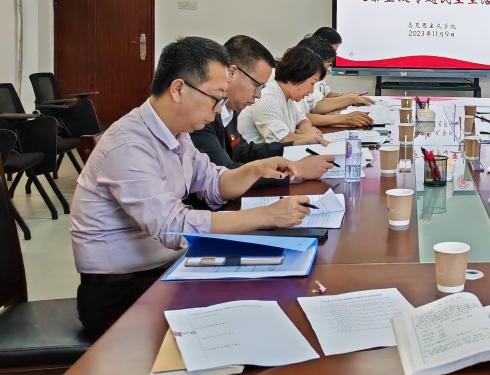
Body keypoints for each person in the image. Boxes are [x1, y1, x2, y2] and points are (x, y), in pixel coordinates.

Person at [70, 37, 313, 339]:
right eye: (215, 99)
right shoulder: (129, 145)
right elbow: (173, 227)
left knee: (269, 293)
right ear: (178, 89)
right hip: (120, 291)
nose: (218, 110)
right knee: (242, 320)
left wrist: (256, 169)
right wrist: (266, 215)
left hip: (163, 270)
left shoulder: (177, 133)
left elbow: (212, 182)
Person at [190, 35, 334, 181]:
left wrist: (295, 143)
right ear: (232, 73)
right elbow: (225, 176)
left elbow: (243, 152)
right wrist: (297, 169)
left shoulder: (229, 112)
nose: (258, 94)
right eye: (256, 85)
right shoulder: (203, 118)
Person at [236, 46, 330, 145]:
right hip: (252, 154)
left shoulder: (288, 96)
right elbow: (281, 140)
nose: (311, 91)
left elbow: (302, 120)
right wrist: (307, 136)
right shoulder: (268, 98)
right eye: (312, 83)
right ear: (298, 76)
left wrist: (308, 131)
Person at [294, 36, 374, 128]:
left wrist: (349, 99)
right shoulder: (293, 85)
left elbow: (310, 108)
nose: (329, 69)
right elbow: (303, 115)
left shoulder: (302, 82)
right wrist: (343, 118)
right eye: (329, 64)